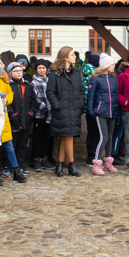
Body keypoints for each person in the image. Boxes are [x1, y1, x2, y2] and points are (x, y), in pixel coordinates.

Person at [46, 47, 84, 177]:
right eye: (72, 55)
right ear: (65, 57)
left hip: (74, 109)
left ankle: (60, 164)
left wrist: (80, 105)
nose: (75, 57)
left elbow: (80, 91)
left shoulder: (76, 73)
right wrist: (57, 105)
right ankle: (72, 165)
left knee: (65, 136)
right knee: (68, 135)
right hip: (62, 110)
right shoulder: (55, 73)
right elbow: (50, 92)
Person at [86, 53, 120, 175]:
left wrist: (118, 113)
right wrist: (91, 111)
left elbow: (116, 96)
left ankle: (108, 162)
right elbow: (91, 97)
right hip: (101, 112)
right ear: (105, 66)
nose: (113, 66)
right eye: (111, 64)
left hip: (112, 111)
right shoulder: (95, 79)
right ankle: (96, 163)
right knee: (104, 137)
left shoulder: (114, 79)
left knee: (110, 137)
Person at [6, 62, 32, 182]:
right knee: (11, 144)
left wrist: (31, 113)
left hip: (25, 120)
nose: (18, 73)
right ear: (11, 73)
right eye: (16, 71)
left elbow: (33, 101)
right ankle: (8, 165)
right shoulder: (8, 86)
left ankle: (21, 164)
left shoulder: (27, 86)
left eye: (20, 71)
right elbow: (7, 103)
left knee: (22, 144)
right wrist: (12, 114)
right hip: (13, 120)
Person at [30, 59, 55, 170]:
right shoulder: (34, 82)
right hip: (39, 114)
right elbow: (34, 98)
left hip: (50, 114)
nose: (42, 70)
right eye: (39, 68)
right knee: (38, 138)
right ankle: (36, 160)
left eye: (43, 68)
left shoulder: (50, 80)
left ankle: (45, 158)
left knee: (47, 138)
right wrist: (43, 106)